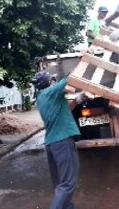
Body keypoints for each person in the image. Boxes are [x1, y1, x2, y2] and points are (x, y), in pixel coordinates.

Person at [33, 71, 81, 209]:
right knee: (68, 184)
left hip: (52, 144)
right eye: (52, 79)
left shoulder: (42, 98)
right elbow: (70, 79)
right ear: (49, 82)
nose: (53, 81)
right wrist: (84, 59)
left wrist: (77, 100)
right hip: (63, 141)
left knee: (60, 183)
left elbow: (63, 111)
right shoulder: (51, 91)